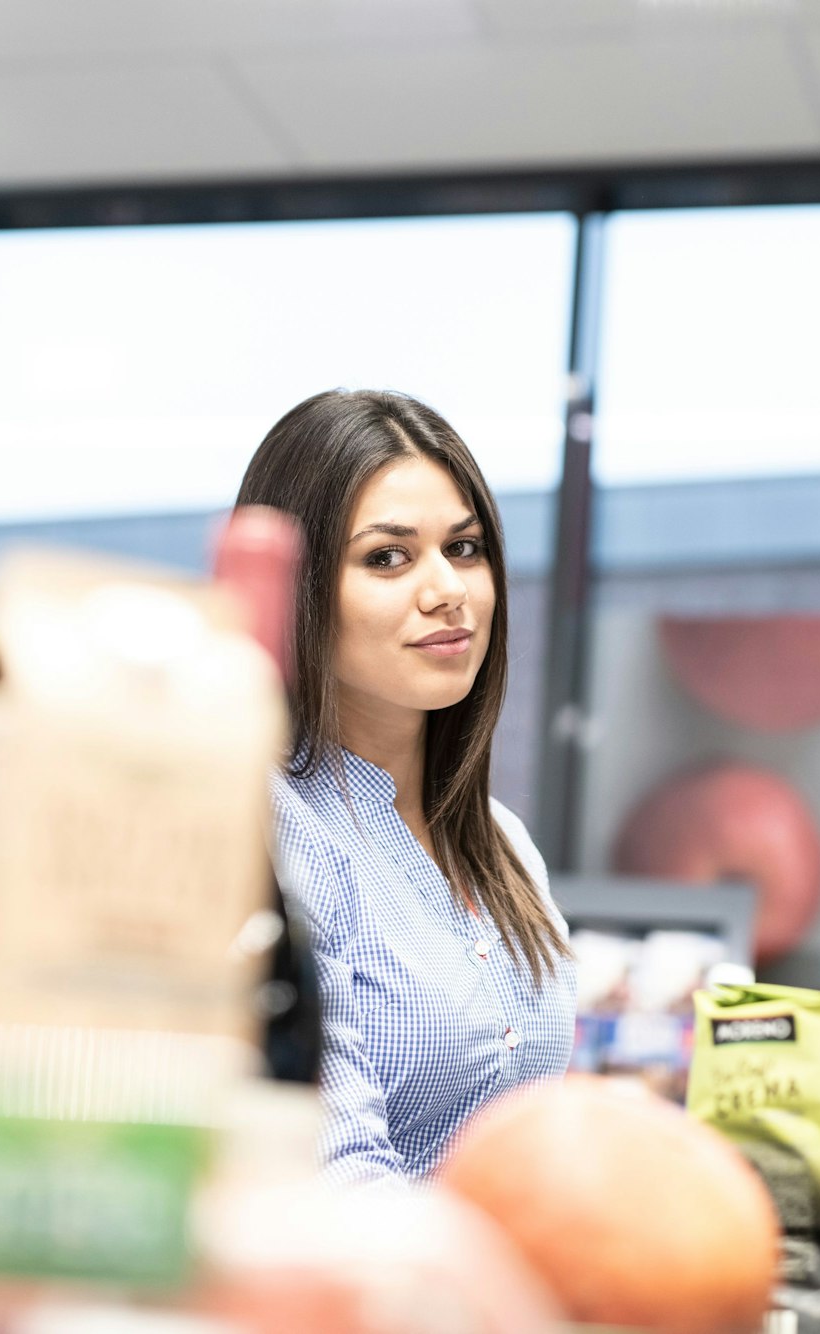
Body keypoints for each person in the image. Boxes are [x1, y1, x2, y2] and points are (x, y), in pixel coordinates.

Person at [238, 388, 577, 1188]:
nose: (446, 589)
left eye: (463, 549)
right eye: (387, 557)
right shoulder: (270, 836)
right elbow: (337, 1173)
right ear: (300, 590)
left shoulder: (504, 846)